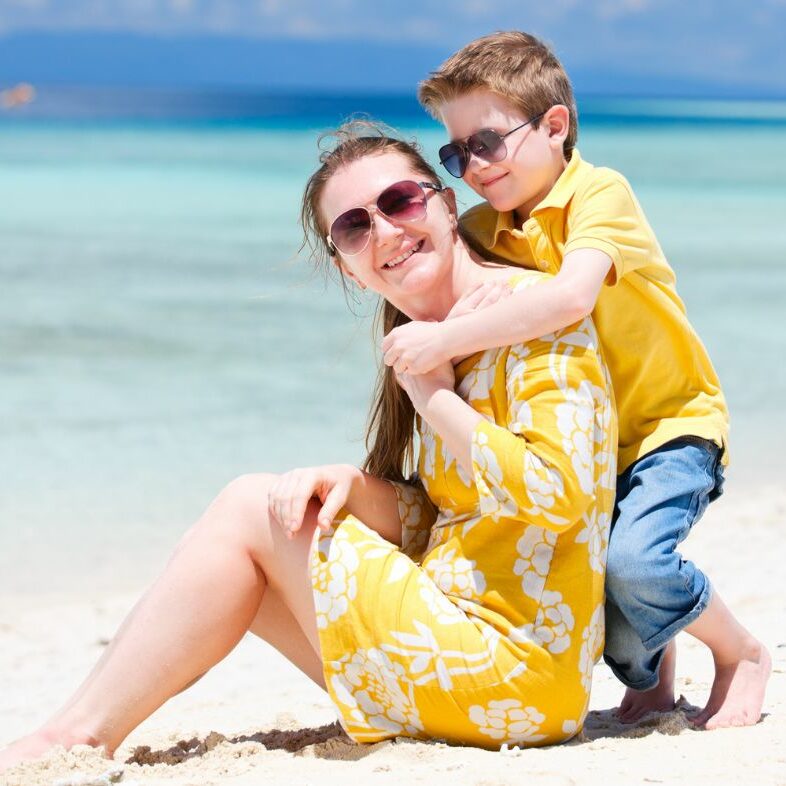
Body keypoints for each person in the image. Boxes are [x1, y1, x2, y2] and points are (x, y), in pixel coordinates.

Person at [0, 124, 616, 772]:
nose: (383, 231)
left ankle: (75, 736)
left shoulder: (537, 318)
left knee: (249, 507)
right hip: (485, 662)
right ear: (347, 266)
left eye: (401, 200)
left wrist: (430, 395)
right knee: (251, 565)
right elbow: (457, 515)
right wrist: (356, 487)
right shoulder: (431, 340)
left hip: (517, 675)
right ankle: (80, 728)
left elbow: (562, 501)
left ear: (447, 203)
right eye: (354, 227)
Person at [381, 31, 771, 728]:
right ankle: (652, 677)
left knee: (636, 565)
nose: (472, 166)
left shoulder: (600, 193)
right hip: (584, 447)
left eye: (487, 142)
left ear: (553, 125)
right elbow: (439, 263)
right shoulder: (486, 226)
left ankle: (740, 650)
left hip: (669, 426)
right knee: (597, 594)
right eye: (455, 152)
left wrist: (443, 339)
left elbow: (569, 298)